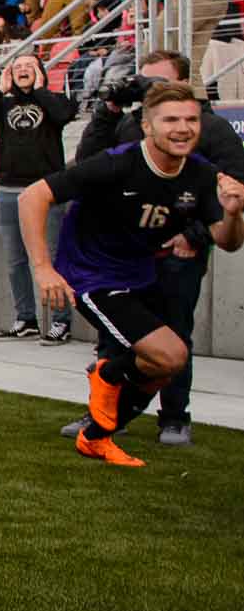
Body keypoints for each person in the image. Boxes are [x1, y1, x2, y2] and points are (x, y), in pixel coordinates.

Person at [20, 83, 244, 466]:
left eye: (191, 119)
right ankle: (106, 384)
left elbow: (228, 243)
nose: (183, 128)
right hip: (94, 275)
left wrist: (234, 212)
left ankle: (98, 433)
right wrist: (43, 269)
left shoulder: (202, 175)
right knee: (169, 355)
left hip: (142, 274)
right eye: (170, 119)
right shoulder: (116, 163)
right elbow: (33, 196)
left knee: (165, 365)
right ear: (147, 126)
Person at [70, 50, 244, 444]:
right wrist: (107, 109)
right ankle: (102, 413)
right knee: (114, 336)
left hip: (177, 255)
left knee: (174, 336)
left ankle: (174, 416)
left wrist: (195, 235)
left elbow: (232, 186)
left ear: (184, 83)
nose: (147, 89)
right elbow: (88, 164)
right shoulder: (131, 123)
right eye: (143, 82)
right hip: (124, 253)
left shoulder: (212, 130)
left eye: (157, 83)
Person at [0, 54, 77, 344]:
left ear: (40, 72)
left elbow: (64, 115)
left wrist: (40, 90)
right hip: (7, 191)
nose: (23, 71)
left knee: (50, 258)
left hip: (44, 191)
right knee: (15, 260)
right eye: (17, 68)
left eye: (29, 66)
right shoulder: (3, 103)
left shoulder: (53, 100)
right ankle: (25, 317)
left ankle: (60, 321)